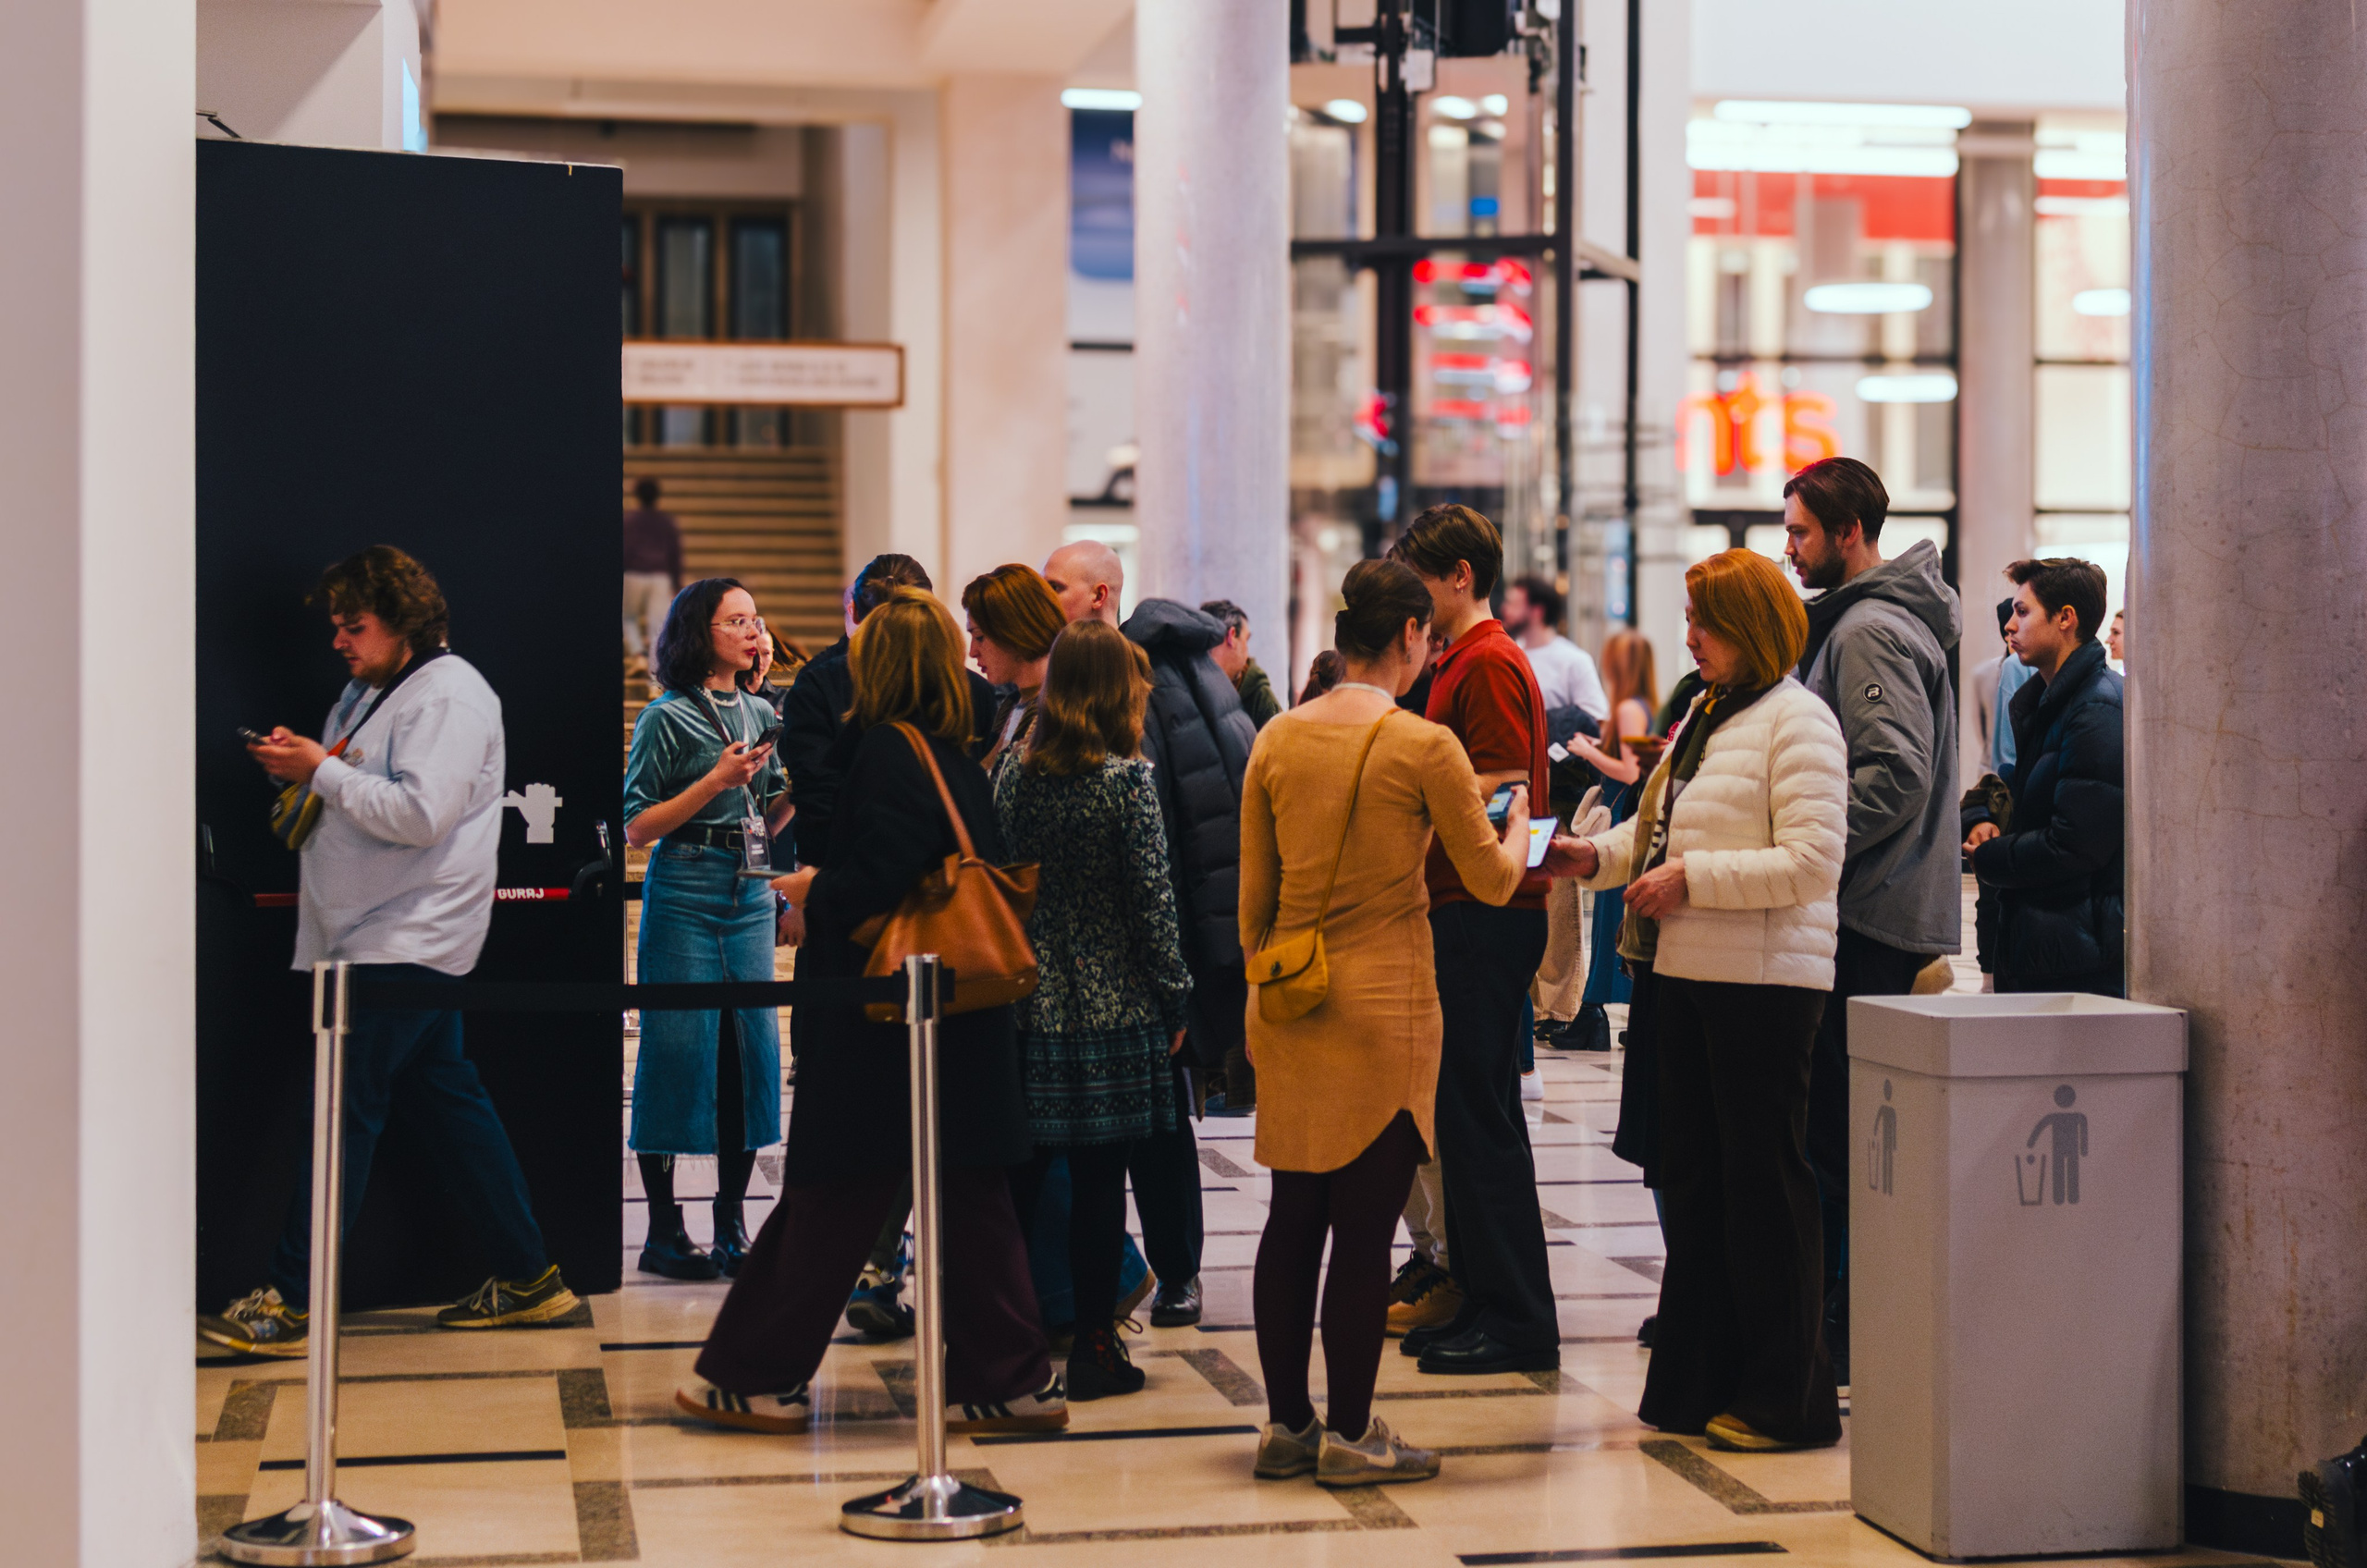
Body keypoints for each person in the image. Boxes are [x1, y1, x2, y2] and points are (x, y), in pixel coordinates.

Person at [676, 589, 1063, 1437]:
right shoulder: (952, 747)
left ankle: (755, 1371)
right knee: (967, 1197)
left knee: (831, 1193)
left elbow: (880, 872)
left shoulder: (890, 749)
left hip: (885, 1018)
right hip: (953, 1015)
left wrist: (817, 892)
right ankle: (1010, 1378)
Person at [201, 546, 576, 1357]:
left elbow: (420, 815)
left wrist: (320, 773)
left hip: (405, 936)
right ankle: (530, 1278)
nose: (340, 641)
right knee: (450, 1103)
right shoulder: (372, 692)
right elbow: (362, 791)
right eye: (337, 626)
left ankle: (293, 1299)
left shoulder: (450, 695)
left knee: (340, 1115)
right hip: (376, 934)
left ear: (403, 622)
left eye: (355, 626)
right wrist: (300, 768)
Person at [1239, 559, 1537, 1487]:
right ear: (1411, 633)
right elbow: (1490, 879)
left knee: (1292, 1216)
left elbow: (1252, 904)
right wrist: (1519, 818)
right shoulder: (1423, 744)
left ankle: (1286, 1424)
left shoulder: (1277, 739)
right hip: (1386, 1001)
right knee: (1364, 1232)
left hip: (1288, 997)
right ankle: (1355, 1432)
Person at [1551, 547, 1847, 1452]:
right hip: (1684, 977)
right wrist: (1592, 862)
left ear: (1750, 627)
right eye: (1689, 618)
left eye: (1705, 621)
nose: (1690, 637)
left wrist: (1693, 878)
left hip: (1761, 988)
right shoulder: (1704, 715)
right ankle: (1696, 1382)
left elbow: (1811, 862)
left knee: (1762, 1189)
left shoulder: (1800, 724)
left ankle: (1780, 1398)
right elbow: (1652, 831)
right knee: (1694, 1185)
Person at [1779, 455, 1961, 1383]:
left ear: (1849, 532)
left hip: (1868, 913)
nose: (1790, 548)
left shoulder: (1870, 630)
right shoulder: (1867, 622)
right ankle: (1841, 1314)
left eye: (1802, 532)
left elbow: (1893, 772)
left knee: (1836, 1136)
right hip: (1878, 909)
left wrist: (1806, 848)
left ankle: (1843, 1321)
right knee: (1846, 1132)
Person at [1044, 540, 1246, 1328]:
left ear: (1099, 596)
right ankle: (1155, 1275)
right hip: (1135, 949)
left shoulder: (1139, 674)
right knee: (1143, 1128)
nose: (1044, 594)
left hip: (1142, 952)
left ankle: (1174, 1271)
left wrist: (1182, 974)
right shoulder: (1163, 667)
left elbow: (1171, 825)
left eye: (1055, 585)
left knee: (1157, 1127)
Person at [996, 619, 1195, 1400]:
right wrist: (1176, 993)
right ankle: (1092, 1348)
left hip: (1028, 1003)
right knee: (1099, 1188)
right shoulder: (1126, 781)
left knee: (1023, 1182)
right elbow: (1154, 905)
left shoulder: (1013, 771)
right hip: (1114, 1011)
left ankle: (1002, 1337)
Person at [1386, 504, 1559, 1377]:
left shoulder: (1489, 661)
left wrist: (1425, 818)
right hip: (1466, 903)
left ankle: (1520, 1319)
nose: (1411, 593)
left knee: (1481, 1121)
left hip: (1484, 910)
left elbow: (1504, 791)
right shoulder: (1461, 659)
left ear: (1460, 575)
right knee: (1465, 1119)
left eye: (1421, 575)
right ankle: (1488, 1299)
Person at [621, 578, 792, 1280]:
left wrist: (803, 778)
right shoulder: (665, 717)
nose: (752, 630)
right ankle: (665, 1230)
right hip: (685, 886)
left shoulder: (759, 711)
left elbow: (771, 813)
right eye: (736, 620)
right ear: (702, 632)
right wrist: (715, 783)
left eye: (756, 619)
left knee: (749, 1055)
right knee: (677, 1051)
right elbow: (637, 826)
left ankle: (732, 1222)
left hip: (747, 892)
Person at [1962, 558, 2125, 997]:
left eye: (2022, 611)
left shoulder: (2095, 709)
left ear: (2065, 618)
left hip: (2078, 960)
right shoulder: (2048, 702)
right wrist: (1980, 815)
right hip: (2050, 948)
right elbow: (2010, 789)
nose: (2009, 627)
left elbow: (2075, 844)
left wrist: (1991, 857)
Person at [779, 553, 996, 869]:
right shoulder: (973, 689)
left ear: (856, 614)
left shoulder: (821, 685)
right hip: (952, 877)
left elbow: (817, 805)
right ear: (930, 611)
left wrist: (817, 891)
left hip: (851, 875)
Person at [1549, 630, 1661, 1054]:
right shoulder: (1639, 707)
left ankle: (1593, 1011)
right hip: (1624, 817)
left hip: (1620, 822)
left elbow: (1631, 771)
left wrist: (1587, 750)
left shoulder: (1630, 707)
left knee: (1613, 919)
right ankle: (1607, 1012)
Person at [965, 564, 1066, 773]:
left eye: (980, 637)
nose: (972, 651)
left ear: (1014, 632)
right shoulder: (1011, 705)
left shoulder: (1061, 714)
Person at [1502, 574, 1609, 721]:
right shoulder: (1508, 654)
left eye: (1514, 604)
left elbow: (1597, 720)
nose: (1505, 610)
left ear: (1537, 611)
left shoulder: (1574, 660)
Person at [623, 476, 683, 675]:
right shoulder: (667, 522)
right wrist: (677, 583)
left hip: (632, 574)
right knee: (657, 627)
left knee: (627, 617)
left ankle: (638, 654)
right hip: (660, 576)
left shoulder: (628, 520)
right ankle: (654, 679)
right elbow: (675, 554)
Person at [1202, 598, 1282, 729]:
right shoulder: (1189, 685)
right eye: (1246, 640)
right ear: (1231, 636)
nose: (1247, 652)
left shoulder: (1262, 700)